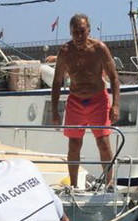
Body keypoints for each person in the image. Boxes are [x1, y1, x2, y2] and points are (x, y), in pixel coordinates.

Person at [51, 14, 120, 187]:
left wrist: (116, 105)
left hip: (98, 99)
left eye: (82, 31)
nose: (79, 36)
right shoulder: (65, 52)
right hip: (76, 101)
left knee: (103, 143)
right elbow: (57, 82)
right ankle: (74, 186)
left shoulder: (99, 49)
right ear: (70, 32)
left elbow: (114, 78)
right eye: (75, 32)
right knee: (74, 144)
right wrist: (54, 111)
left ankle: (109, 183)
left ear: (88, 30)